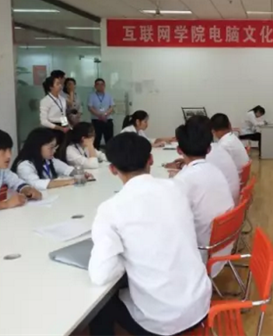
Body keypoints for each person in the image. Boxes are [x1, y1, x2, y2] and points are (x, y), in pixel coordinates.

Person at [88, 133, 211, 336]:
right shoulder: (177, 188)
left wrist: (124, 258)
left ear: (112, 169)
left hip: (160, 323)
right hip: (199, 304)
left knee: (100, 304)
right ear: (151, 160)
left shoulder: (110, 209)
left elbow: (101, 275)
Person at [173, 119, 235, 278]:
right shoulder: (215, 170)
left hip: (203, 254)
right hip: (223, 245)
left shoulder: (183, 181)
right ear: (209, 149)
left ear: (179, 150)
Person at [164, 116, 240, 202]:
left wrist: (176, 176)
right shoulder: (215, 163)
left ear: (179, 150)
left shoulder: (183, 179)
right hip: (230, 203)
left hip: (226, 200)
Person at [12, 128, 80, 190]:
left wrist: (81, 174)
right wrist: (68, 181)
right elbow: (36, 184)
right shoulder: (24, 165)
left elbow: (67, 169)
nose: (54, 151)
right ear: (38, 147)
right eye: (51, 148)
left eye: (55, 147)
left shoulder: (48, 160)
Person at [0, 129, 42, 212]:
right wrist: (6, 204)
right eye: (3, 150)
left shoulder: (1, 170)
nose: (9, 155)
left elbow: (16, 182)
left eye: (9, 150)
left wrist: (27, 190)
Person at [40, 75, 70, 148]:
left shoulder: (62, 99)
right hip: (52, 128)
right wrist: (59, 128)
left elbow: (62, 114)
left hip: (63, 127)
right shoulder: (45, 101)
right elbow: (43, 121)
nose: (60, 86)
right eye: (57, 84)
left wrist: (65, 125)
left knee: (63, 148)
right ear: (51, 87)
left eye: (60, 84)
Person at [88, 78, 115, 149]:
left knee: (109, 139)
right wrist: (99, 115)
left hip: (107, 120)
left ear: (104, 85)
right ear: (95, 86)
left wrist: (105, 114)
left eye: (102, 84)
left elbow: (112, 107)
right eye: (98, 84)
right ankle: (95, 153)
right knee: (96, 139)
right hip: (96, 121)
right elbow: (90, 107)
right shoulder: (91, 96)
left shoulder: (109, 95)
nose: (100, 86)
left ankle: (109, 154)